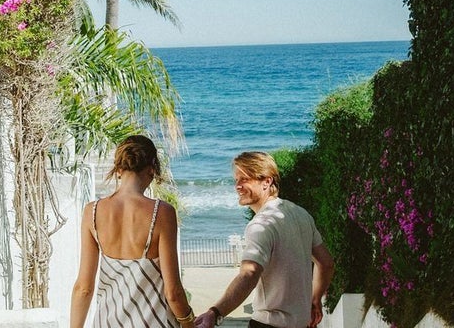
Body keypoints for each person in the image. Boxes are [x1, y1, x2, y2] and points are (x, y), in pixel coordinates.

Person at [195, 151, 335, 328]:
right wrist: (315, 299)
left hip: (269, 324)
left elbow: (249, 273)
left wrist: (215, 312)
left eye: (244, 179)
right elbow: (326, 263)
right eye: (236, 180)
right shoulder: (301, 214)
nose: (237, 186)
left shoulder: (261, 225)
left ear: (267, 181)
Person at [71, 135, 195, 328]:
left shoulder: (92, 212)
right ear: (152, 168)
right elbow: (174, 293)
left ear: (118, 169)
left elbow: (83, 288)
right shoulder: (162, 213)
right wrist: (189, 323)